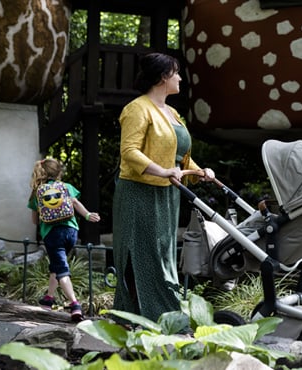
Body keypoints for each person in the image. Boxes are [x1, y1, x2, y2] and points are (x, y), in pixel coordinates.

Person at [112, 52, 215, 323]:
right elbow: (130, 152)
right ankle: (141, 317)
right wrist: (162, 171)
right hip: (139, 193)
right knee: (144, 255)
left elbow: (180, 157)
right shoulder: (137, 108)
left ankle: (162, 316)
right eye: (176, 72)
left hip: (168, 194)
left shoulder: (172, 112)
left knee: (163, 255)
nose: (180, 77)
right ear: (162, 77)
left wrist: (199, 171)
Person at [27, 158, 101, 322]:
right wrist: (88, 215)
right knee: (57, 265)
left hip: (53, 234)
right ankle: (49, 298)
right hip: (71, 232)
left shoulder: (37, 192)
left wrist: (46, 215)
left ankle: (74, 304)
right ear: (58, 173)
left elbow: (35, 221)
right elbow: (75, 202)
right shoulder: (66, 187)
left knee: (61, 269)